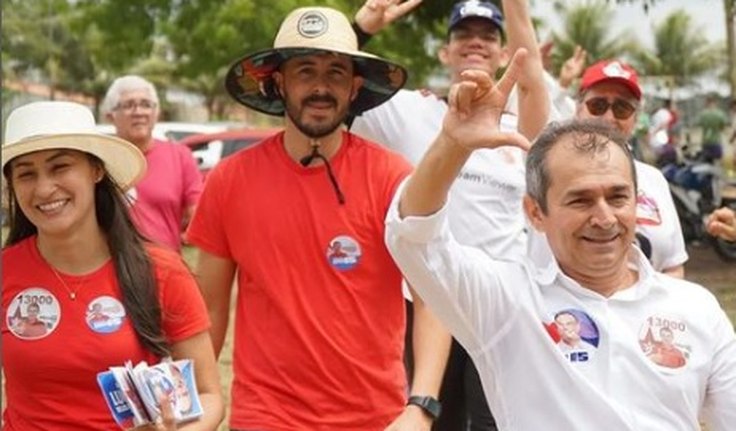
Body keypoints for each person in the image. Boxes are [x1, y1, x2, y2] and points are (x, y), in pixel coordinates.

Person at [384, 63, 736, 429]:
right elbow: (414, 239)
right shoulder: (506, 301)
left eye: (618, 197)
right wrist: (452, 144)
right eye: (580, 201)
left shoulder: (696, 309)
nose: (604, 218)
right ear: (536, 212)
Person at [187, 6, 448, 431]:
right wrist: (193, 403)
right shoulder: (230, 180)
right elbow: (209, 311)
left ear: (354, 88)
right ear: (278, 83)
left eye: (336, 74)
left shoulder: (392, 176)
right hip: (265, 417)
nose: (321, 88)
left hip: (376, 418)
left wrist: (420, 406)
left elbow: (432, 297)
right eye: (305, 72)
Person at [352, 1, 548, 429]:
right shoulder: (408, 111)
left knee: (499, 422)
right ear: (444, 52)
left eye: (489, 35)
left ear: (502, 53)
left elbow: (530, 75)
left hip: (500, 308)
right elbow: (338, 85)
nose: (475, 42)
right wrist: (363, 27)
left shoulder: (517, 127)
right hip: (423, 306)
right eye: (463, 34)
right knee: (429, 421)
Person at [1, 101, 224, 430]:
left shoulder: (162, 271)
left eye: (60, 167)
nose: (44, 188)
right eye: (26, 174)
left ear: (96, 170)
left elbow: (209, 396)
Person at [570, 60, 688, 277]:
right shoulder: (556, 173)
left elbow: (673, 265)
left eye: (622, 108)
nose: (608, 117)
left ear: (635, 118)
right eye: (597, 105)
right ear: (578, 109)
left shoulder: (653, 179)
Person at [102, 75, 203, 252]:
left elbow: (198, 216)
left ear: (156, 113)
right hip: (110, 269)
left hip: (166, 271)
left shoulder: (180, 156)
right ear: (111, 116)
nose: (139, 112)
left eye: (146, 104)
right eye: (128, 105)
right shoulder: (99, 160)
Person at [697, 95, 729, 162]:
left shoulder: (702, 114)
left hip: (705, 142)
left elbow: (700, 125)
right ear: (715, 103)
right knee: (718, 163)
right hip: (716, 141)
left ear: (706, 103)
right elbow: (723, 128)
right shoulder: (720, 114)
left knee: (707, 162)